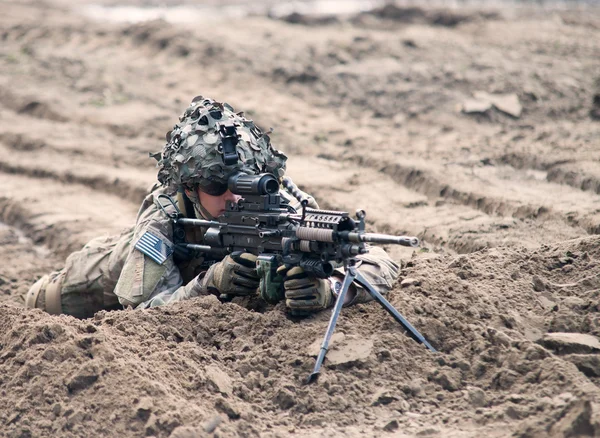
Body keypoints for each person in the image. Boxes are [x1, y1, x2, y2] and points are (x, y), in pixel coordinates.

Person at [25, 97, 399, 318]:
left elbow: (378, 257)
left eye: (245, 181)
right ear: (189, 186)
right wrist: (208, 284)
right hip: (106, 275)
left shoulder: (283, 206)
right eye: (217, 186)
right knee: (43, 300)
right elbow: (139, 317)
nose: (234, 196)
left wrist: (333, 289)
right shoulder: (166, 219)